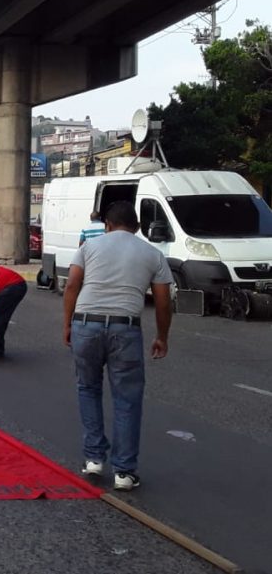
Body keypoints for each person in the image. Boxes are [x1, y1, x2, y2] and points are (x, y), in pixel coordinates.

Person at [63, 201, 172, 491]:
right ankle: (124, 472)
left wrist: (68, 325)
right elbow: (163, 299)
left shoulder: (89, 247)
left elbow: (72, 285)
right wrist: (162, 336)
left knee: (88, 388)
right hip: (126, 328)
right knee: (127, 398)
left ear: (107, 225)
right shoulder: (152, 253)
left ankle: (94, 459)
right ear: (136, 227)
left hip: (86, 323)